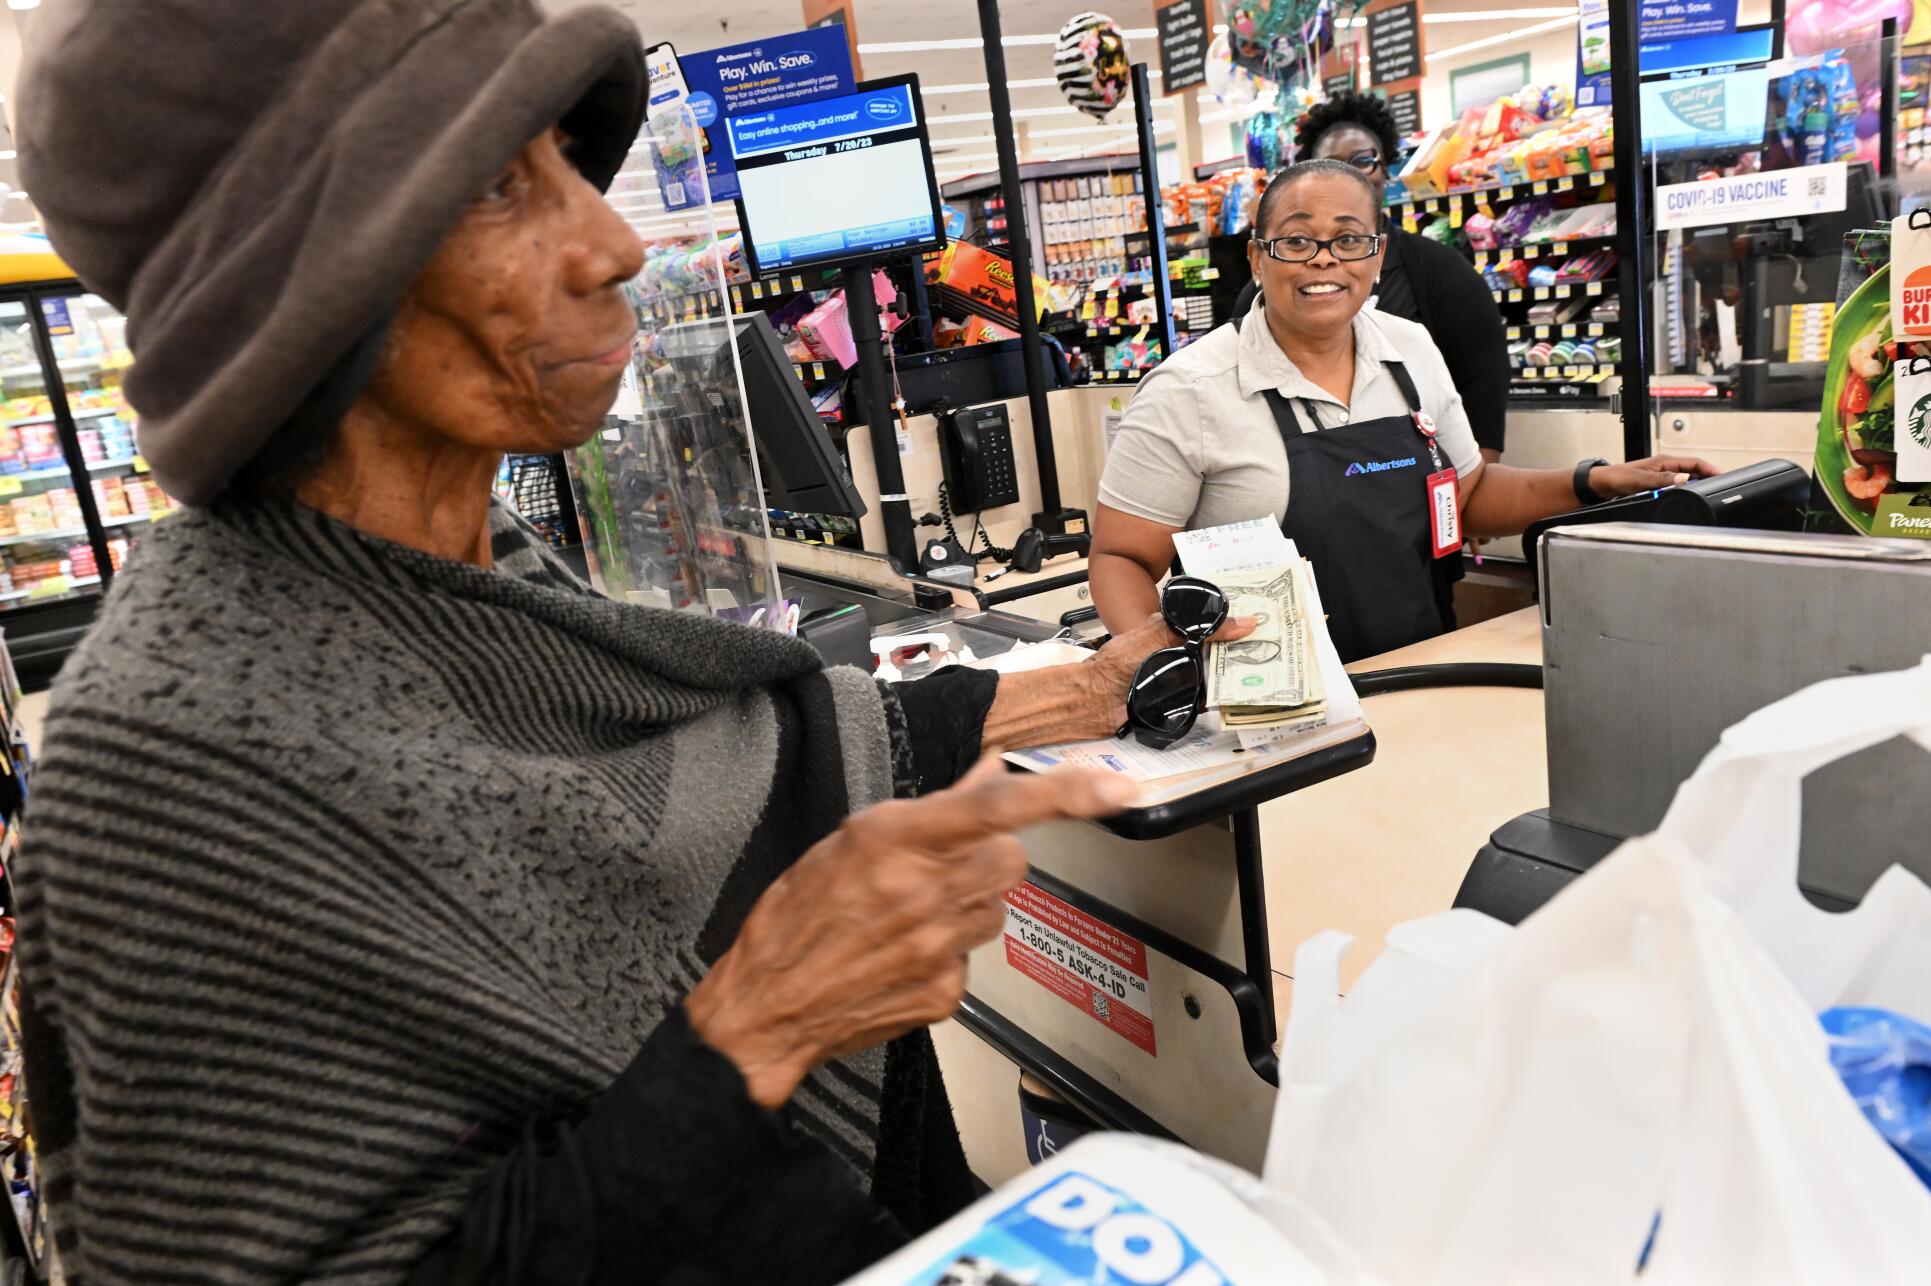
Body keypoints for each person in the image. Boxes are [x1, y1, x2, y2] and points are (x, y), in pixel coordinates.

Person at [9, 3, 1247, 1282]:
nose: (609, 240)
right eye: (497, 186)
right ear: (297, 282)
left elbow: (740, 754)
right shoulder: (171, 767)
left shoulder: (466, 563)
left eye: (561, 153)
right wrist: (761, 1019)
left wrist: (1089, 687)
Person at [1094, 159, 1715, 661]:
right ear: (1257, 257)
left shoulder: (1409, 347)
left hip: (1418, 666)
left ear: (1378, 254)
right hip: (1263, 709)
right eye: (1296, 240)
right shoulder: (1190, 389)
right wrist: (1164, 663)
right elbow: (1122, 557)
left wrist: (1591, 482)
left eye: (1348, 239)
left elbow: (1465, 496)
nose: (1324, 259)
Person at [1233, 92, 1513, 463]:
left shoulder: (1444, 277)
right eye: (1331, 163)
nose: (1324, 262)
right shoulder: (1266, 290)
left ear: (1386, 169)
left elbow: (1482, 411)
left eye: (1363, 160)